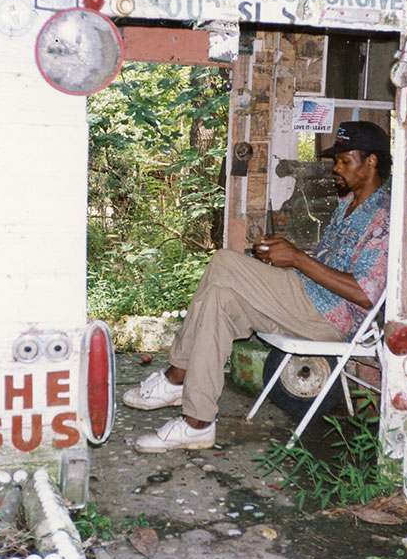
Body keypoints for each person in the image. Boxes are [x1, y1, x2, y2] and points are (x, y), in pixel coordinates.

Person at [123, 120, 391, 453]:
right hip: (305, 299)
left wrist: (295, 258)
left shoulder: (383, 215)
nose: (335, 167)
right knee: (218, 300)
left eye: (344, 160)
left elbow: (365, 293)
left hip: (331, 318)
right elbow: (326, 264)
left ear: (372, 162)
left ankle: (177, 376)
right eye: (335, 160)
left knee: (223, 261)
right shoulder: (347, 205)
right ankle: (197, 423)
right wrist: (283, 254)